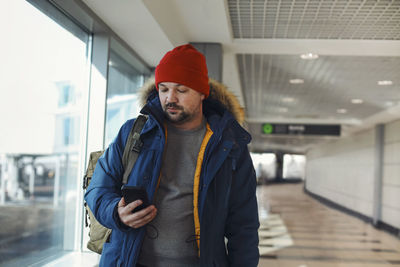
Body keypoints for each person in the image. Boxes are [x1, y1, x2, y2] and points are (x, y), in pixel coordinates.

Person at [85, 44, 259, 267]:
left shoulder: (230, 145)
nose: (170, 98)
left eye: (181, 90)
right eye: (164, 89)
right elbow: (98, 188)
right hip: (130, 261)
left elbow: (244, 224)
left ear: (202, 93)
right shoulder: (134, 132)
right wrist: (116, 212)